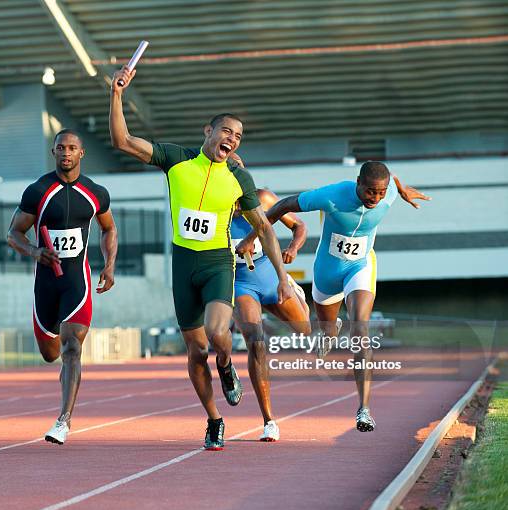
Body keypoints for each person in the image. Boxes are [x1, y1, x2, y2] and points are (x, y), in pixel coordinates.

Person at [109, 65, 293, 451]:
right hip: (183, 265)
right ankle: (214, 419)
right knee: (195, 352)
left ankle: (227, 366)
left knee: (216, 334)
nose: (233, 138)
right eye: (227, 130)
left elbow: (264, 227)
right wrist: (117, 94)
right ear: (207, 132)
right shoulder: (176, 160)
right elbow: (124, 141)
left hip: (216, 264)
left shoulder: (239, 179)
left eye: (239, 136)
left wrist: (282, 275)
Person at [237, 161, 430, 432]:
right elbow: (283, 207)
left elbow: (392, 179)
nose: (375, 198)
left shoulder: (389, 195)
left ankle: (364, 410)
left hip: (359, 267)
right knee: (325, 327)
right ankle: (329, 333)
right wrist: (252, 236)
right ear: (358, 183)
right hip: (327, 272)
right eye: (370, 192)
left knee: (360, 329)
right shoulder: (332, 195)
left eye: (381, 192)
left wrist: (402, 188)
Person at [7, 129, 117, 445]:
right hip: (45, 284)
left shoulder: (95, 193)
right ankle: (66, 374)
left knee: (72, 348)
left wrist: (109, 265)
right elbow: (13, 234)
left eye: (71, 148)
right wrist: (35, 251)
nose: (65, 153)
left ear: (81, 153)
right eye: (60, 148)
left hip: (76, 283)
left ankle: (63, 420)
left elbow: (109, 230)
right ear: (53, 152)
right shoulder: (37, 191)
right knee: (49, 352)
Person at [228, 162, 311, 441]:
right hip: (240, 283)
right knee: (256, 340)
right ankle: (269, 421)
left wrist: (293, 247)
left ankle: (296, 293)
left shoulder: (263, 198)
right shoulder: (214, 207)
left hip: (268, 275)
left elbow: (299, 225)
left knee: (305, 332)